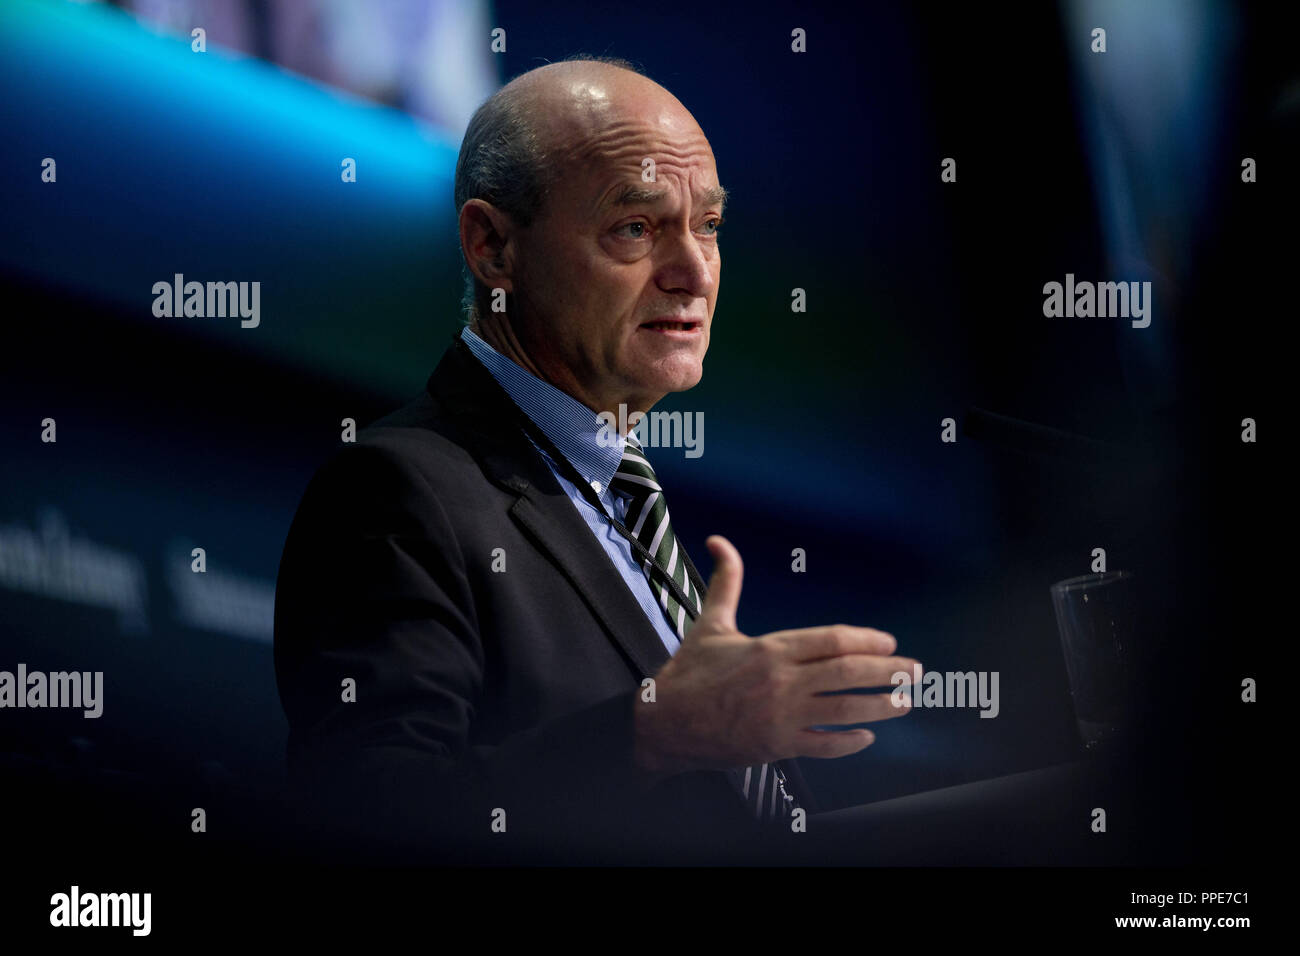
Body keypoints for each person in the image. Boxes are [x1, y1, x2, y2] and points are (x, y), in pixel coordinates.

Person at [273, 56, 918, 863]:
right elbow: (367, 820)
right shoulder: (396, 492)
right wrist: (653, 731)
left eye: (709, 227)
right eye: (637, 228)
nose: (693, 273)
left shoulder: (621, 497)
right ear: (494, 248)